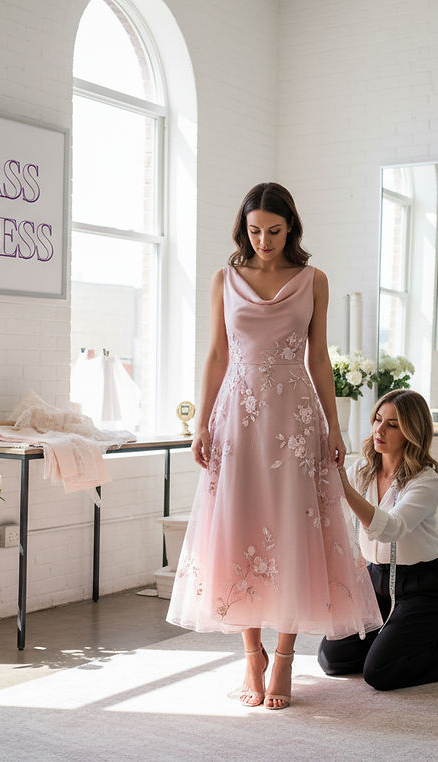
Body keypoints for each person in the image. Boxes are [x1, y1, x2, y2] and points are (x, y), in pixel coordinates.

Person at [165, 182, 382, 710]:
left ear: (292, 229)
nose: (264, 240)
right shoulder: (225, 279)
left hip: (295, 419)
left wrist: (334, 425)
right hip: (237, 419)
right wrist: (201, 425)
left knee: (293, 528)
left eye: (274, 231)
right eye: (255, 230)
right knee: (239, 526)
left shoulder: (314, 281)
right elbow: (217, 355)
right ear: (245, 229)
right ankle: (251, 654)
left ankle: (283, 657)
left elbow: (320, 360)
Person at [318, 389, 438, 691]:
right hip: (375, 580)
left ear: (412, 431)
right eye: (378, 420)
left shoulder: (426, 480)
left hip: (425, 587)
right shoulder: (362, 470)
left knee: (380, 672)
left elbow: (391, 527)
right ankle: (399, 639)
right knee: (333, 659)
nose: (379, 430)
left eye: (393, 425)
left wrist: (343, 486)